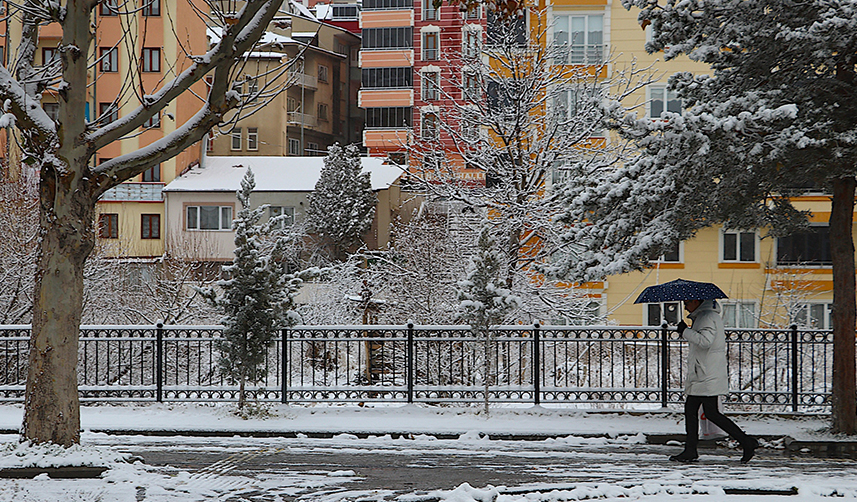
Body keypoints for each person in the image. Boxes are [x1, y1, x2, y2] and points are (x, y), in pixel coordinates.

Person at [670, 298, 759, 463]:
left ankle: (746, 442)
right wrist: (688, 331)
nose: (685, 306)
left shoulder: (707, 316)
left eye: (687, 302)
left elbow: (705, 341)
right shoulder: (704, 316)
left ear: (697, 301)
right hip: (702, 372)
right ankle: (690, 450)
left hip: (706, 373)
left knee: (710, 413)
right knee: (693, 410)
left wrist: (684, 331)